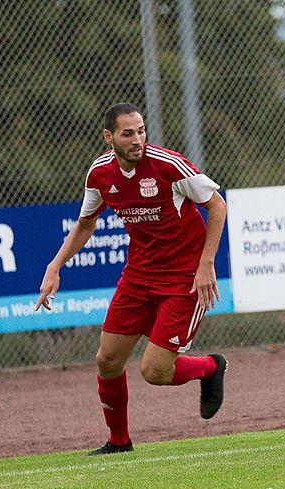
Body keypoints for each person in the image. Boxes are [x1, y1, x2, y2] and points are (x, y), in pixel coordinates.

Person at [35, 103, 230, 455]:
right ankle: (119, 441)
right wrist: (55, 266)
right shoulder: (99, 174)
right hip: (139, 276)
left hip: (184, 278)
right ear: (109, 137)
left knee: (154, 371)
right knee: (107, 360)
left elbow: (217, 205)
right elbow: (86, 223)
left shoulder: (169, 165)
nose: (138, 139)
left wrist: (206, 264)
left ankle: (210, 366)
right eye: (128, 133)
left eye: (141, 131)